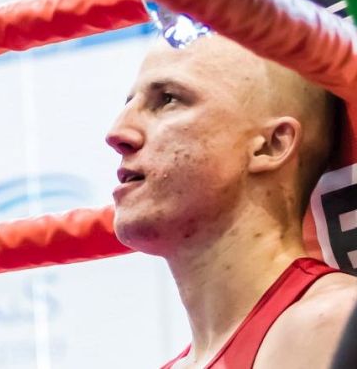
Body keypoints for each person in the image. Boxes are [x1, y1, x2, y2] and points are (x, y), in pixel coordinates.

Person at [105, 34, 357, 368]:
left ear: (271, 145)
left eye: (168, 99)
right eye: (128, 104)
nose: (117, 133)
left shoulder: (334, 325)